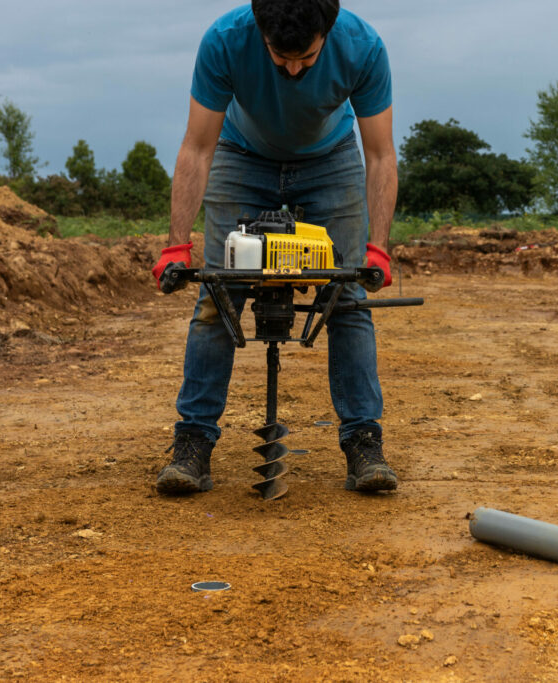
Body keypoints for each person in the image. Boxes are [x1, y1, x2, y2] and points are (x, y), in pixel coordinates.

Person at [151, 0, 399, 495]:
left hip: (331, 160)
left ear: (327, 33)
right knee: (217, 298)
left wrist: (377, 248)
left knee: (347, 298)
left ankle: (364, 444)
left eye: (305, 59)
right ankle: (193, 445)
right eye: (278, 56)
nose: (291, 69)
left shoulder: (363, 47)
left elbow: (380, 153)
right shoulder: (224, 41)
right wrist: (177, 246)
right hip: (241, 157)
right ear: (259, 30)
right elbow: (197, 147)